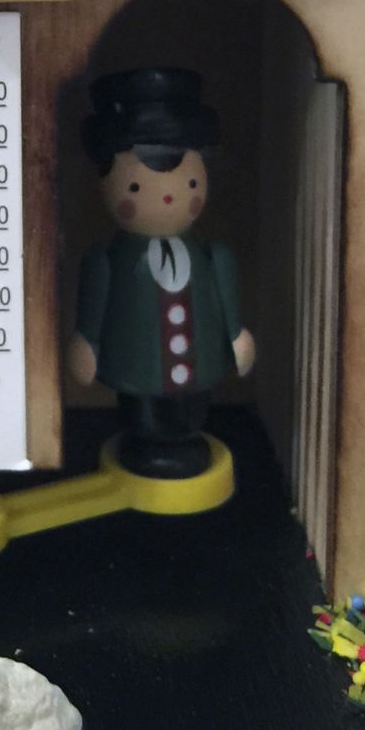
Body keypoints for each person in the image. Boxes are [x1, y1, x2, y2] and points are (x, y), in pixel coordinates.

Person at [69, 68, 255, 478]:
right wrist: (88, 344)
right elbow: (95, 308)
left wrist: (236, 335)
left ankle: (186, 437)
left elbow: (226, 303)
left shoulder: (212, 256)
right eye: (136, 187)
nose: (169, 196)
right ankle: (146, 439)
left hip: (199, 365)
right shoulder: (109, 261)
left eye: (189, 182)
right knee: (141, 408)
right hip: (136, 365)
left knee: (194, 404)